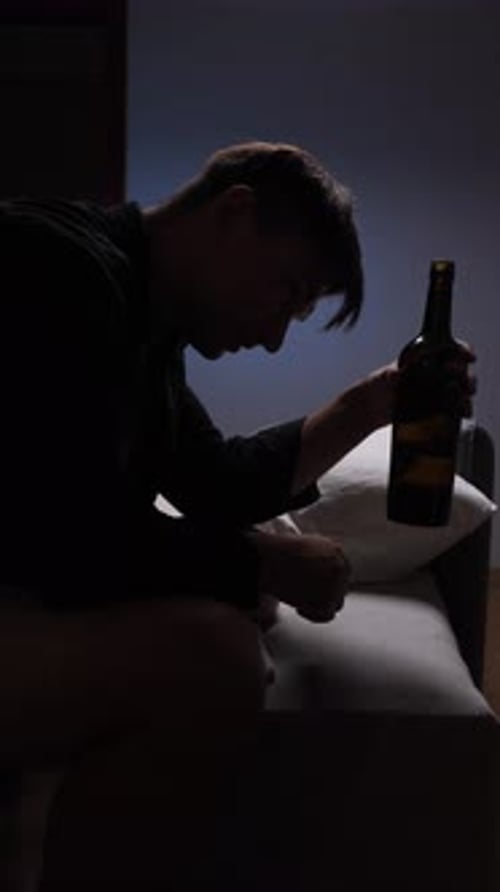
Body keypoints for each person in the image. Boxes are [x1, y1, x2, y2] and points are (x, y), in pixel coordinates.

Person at [0, 142, 475, 890]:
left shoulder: (146, 323)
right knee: (212, 657)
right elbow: (62, 534)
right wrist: (259, 564)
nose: (275, 335)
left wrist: (372, 402)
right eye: (285, 292)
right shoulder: (59, 270)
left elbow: (216, 483)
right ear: (235, 213)